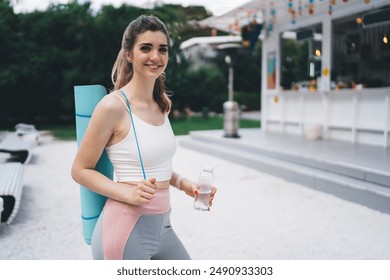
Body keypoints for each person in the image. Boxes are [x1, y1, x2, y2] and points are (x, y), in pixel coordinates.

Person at [71, 15, 217, 260]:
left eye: (163, 49)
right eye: (145, 48)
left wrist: (185, 185)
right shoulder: (113, 107)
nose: (156, 57)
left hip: (163, 227)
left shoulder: (162, 105)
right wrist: (125, 192)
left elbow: (155, 166)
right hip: (124, 230)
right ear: (129, 53)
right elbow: (80, 170)